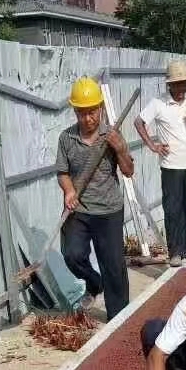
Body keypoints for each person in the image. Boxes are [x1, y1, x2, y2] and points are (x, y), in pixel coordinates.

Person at [55, 76, 134, 320]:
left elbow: (129, 171)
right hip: (78, 209)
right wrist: (68, 190)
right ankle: (94, 282)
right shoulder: (66, 138)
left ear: (99, 109)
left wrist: (120, 148)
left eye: (91, 112)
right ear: (75, 112)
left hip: (109, 210)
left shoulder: (111, 135)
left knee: (114, 267)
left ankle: (118, 318)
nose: (87, 119)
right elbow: (62, 172)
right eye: (81, 113)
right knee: (72, 254)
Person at [135, 61, 186, 268]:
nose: (182, 88)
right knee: (173, 209)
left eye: (184, 84)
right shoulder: (158, 103)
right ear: (170, 85)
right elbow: (139, 122)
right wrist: (153, 146)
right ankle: (175, 251)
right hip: (171, 166)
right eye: (178, 84)